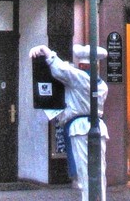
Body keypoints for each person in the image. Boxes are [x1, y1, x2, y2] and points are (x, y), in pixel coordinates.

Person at [30, 44, 109, 201]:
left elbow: (61, 70)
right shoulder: (102, 86)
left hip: (80, 129)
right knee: (99, 170)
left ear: (83, 65)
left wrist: (46, 51)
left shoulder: (80, 79)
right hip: (98, 127)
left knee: (84, 170)